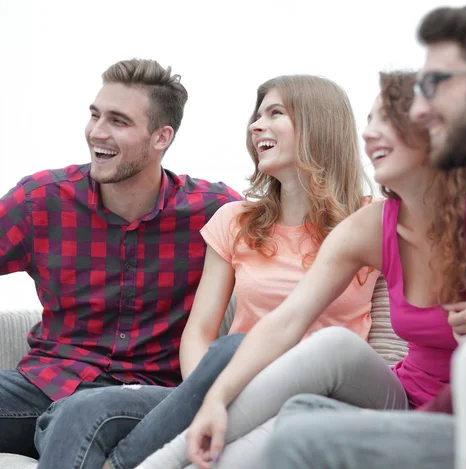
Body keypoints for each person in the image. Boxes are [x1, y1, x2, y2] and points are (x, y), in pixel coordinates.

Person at [261, 2, 466, 468]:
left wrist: (413, 421)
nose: (424, 107)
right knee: (301, 415)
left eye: (438, 85)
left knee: (303, 440)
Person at [34, 74, 379, 469]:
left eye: (275, 113)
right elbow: (199, 331)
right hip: (231, 387)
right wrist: (207, 390)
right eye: (257, 114)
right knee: (82, 408)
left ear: (318, 124)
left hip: (315, 395)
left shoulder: (369, 222)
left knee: (234, 349)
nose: (256, 125)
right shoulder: (236, 220)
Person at [144, 70, 466, 469]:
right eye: (370, 122)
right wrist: (214, 398)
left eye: (388, 122)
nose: (370, 135)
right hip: (399, 398)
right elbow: (287, 320)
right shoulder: (372, 225)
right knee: (320, 362)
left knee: (297, 413)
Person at [0, 58, 241, 460]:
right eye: (95, 115)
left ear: (161, 137)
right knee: (68, 414)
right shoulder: (41, 200)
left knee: (78, 416)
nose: (97, 131)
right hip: (47, 382)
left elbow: (286, 251)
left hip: (146, 401)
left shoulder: (215, 212)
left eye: (118, 121)